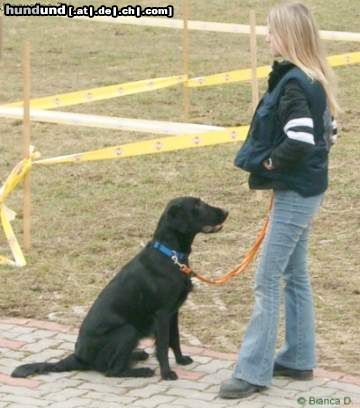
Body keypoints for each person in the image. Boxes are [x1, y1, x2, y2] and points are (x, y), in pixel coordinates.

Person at [219, 2, 339, 399]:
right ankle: (299, 358)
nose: (266, 37)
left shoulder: (292, 83)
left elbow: (303, 139)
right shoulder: (313, 78)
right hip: (309, 189)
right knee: (295, 275)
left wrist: (270, 163)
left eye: (271, 31)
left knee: (267, 278)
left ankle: (253, 372)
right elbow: (330, 132)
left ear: (287, 36)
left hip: (296, 194)